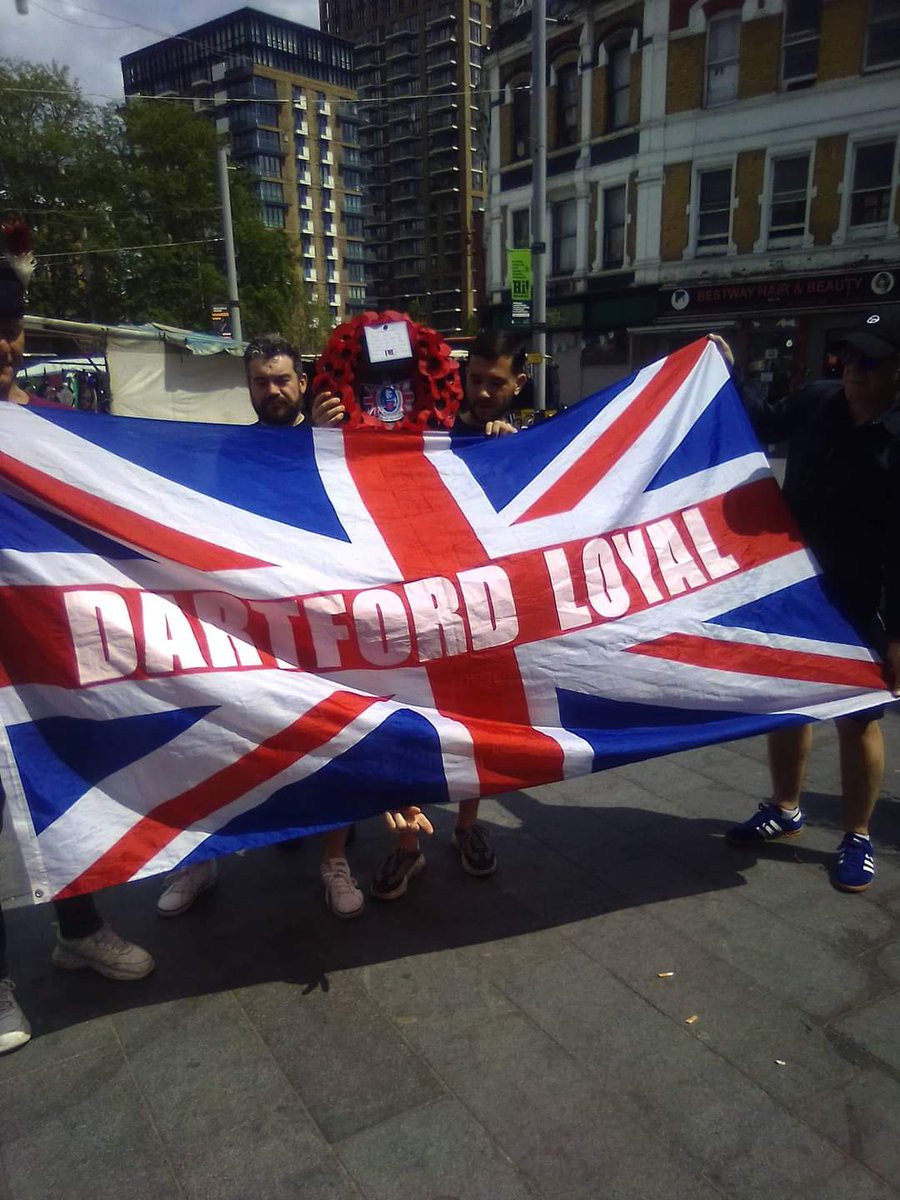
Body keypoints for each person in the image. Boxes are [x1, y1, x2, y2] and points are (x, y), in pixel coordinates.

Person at [1, 219, 154, 1055]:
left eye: (9, 343)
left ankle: (77, 928)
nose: (6, 356)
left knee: (62, 780)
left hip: (45, 652)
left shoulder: (40, 429)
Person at [311, 328, 528, 900]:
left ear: (517, 384)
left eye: (495, 383)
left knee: (475, 717)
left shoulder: (507, 442)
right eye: (474, 380)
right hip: (395, 600)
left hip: (469, 605)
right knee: (398, 715)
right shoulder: (430, 426)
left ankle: (466, 826)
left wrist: (508, 446)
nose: (482, 393)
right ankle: (408, 848)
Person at [155, 335, 364, 920]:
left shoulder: (332, 432)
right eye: (260, 382)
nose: (272, 390)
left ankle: (334, 858)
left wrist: (327, 436)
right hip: (257, 618)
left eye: (281, 380)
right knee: (214, 722)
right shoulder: (232, 450)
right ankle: (200, 858)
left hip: (327, 613)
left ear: (303, 382)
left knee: (337, 729)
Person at [712, 315, 900, 892]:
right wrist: (727, 372)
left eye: (870, 364)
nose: (854, 373)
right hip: (795, 586)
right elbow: (761, 421)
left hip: (864, 595)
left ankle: (858, 835)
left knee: (856, 716)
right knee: (789, 698)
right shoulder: (820, 401)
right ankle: (785, 809)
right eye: (849, 360)